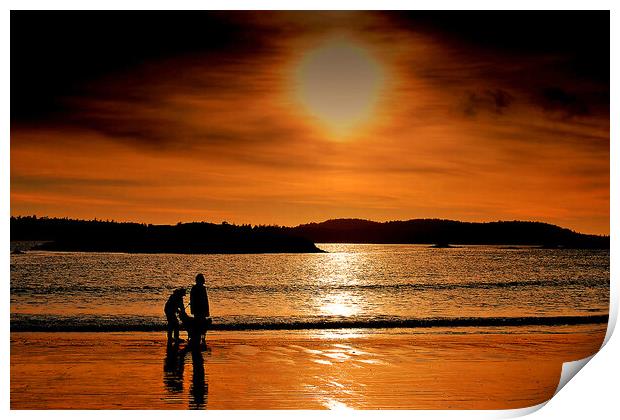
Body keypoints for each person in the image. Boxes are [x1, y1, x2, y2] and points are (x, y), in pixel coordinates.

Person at [190, 274, 210, 345]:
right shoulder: (200, 288)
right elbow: (205, 300)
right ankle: (201, 338)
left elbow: (192, 300)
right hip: (200, 309)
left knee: (199, 324)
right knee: (201, 325)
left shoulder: (194, 288)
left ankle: (197, 338)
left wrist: (192, 310)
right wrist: (207, 311)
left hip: (198, 309)